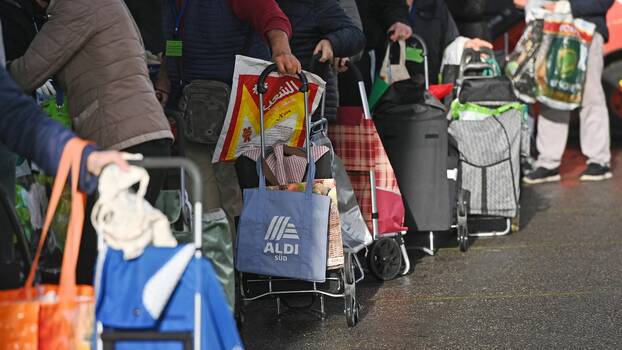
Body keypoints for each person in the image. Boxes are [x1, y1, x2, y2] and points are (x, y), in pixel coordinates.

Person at [7, 0, 174, 283]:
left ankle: (97, 325)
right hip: (143, 136)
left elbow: (25, 75)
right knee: (114, 256)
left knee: (92, 262)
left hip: (123, 142)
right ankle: (115, 322)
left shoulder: (76, 7)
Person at [156, 0, 301, 234]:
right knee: (204, 197)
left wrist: (282, 50)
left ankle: (239, 259)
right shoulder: (172, 5)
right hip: (195, 112)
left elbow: (272, 17)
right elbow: (174, 43)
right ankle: (220, 256)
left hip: (238, 108)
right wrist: (165, 79)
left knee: (230, 191)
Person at [518, 0, 615, 184]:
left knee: (590, 96)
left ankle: (599, 160)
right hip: (551, 26)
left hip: (586, 29)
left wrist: (565, 6)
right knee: (550, 94)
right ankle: (548, 162)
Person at [276, 0, 366, 120]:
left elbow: (355, 35)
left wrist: (332, 43)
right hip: (264, 98)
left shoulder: (316, 4)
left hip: (312, 104)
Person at [338, 0, 413, 105]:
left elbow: (392, 5)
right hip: (316, 52)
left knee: (352, 114)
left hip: (360, 52)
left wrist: (398, 20)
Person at [408, 0, 493, 84]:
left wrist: (464, 45)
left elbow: (451, 41)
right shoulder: (396, 13)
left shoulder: (436, 5)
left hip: (429, 83)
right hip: (400, 84)